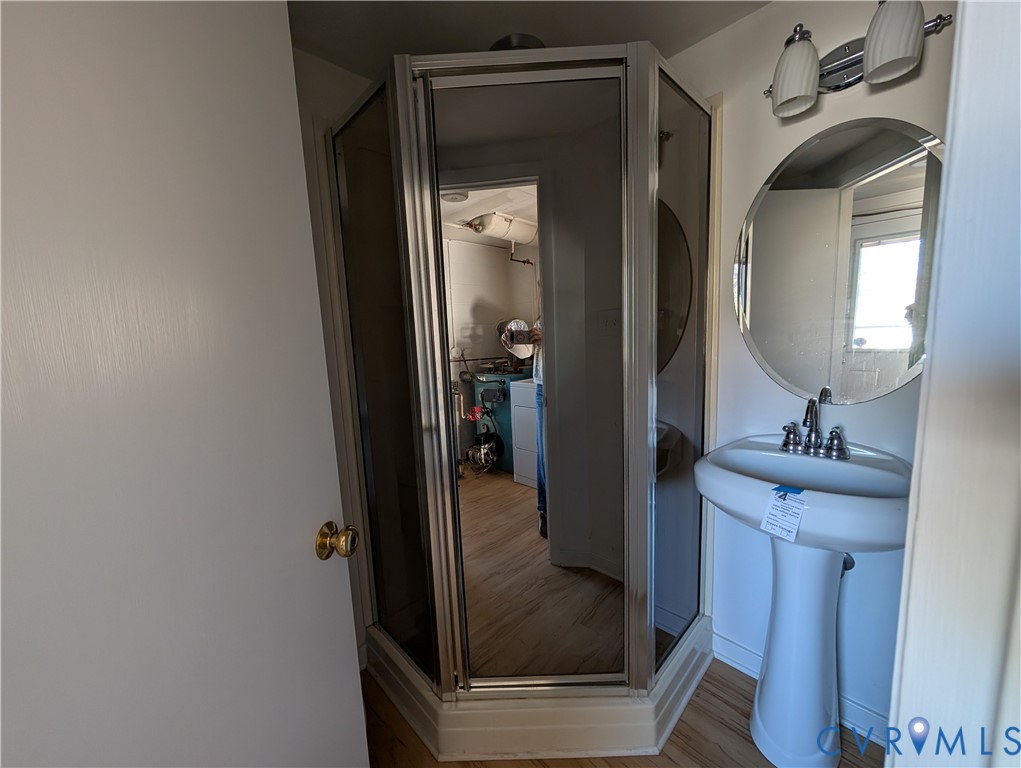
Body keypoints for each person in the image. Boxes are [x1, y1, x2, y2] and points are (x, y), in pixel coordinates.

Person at [530, 320, 547, 539]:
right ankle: (545, 510)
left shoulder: (569, 309)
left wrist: (549, 337)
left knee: (551, 452)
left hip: (565, 381)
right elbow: (526, 352)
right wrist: (511, 341)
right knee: (544, 452)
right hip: (542, 384)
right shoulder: (540, 320)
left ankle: (550, 509)